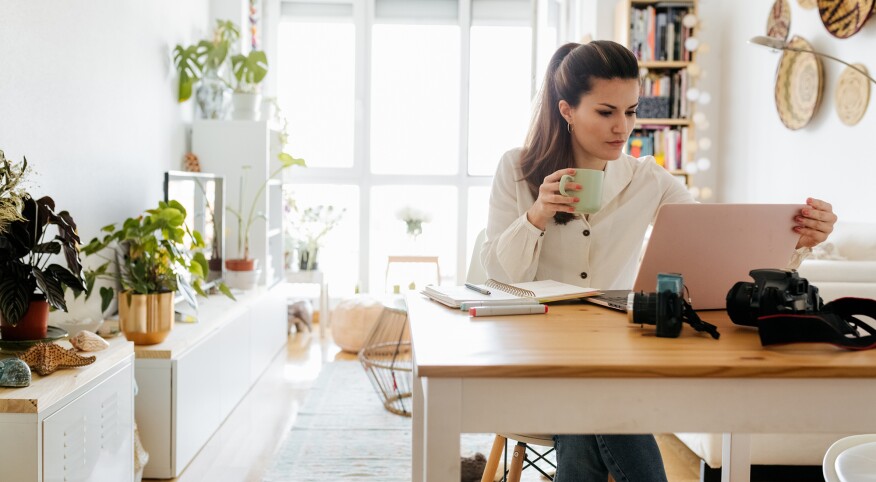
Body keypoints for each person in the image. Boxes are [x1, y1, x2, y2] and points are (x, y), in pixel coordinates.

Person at [480, 40, 837, 482]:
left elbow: (716, 245)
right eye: (606, 112)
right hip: (531, 350)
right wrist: (536, 216)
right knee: (599, 400)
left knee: (586, 407)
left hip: (610, 355)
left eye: (630, 112)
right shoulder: (517, 170)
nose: (622, 127)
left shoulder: (648, 178)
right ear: (567, 110)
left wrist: (799, 240)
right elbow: (498, 277)